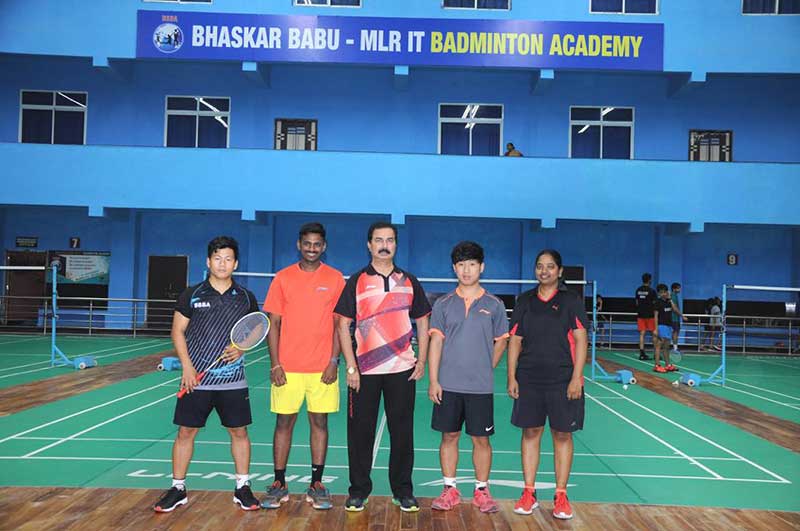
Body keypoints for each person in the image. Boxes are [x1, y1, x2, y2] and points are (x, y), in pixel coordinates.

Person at [153, 236, 261, 513]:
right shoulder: (192, 294)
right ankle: (178, 488)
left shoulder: (246, 297)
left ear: (235, 263)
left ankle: (242, 487)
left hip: (233, 380)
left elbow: (255, 329)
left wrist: (241, 349)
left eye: (228, 259)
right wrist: (187, 367)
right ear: (208, 261)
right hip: (197, 379)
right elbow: (177, 331)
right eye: (217, 258)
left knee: (239, 431)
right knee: (186, 431)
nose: (222, 263)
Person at [334, 221, 431, 513]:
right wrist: (351, 367)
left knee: (403, 433)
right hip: (365, 371)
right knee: (359, 433)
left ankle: (403, 490)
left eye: (389, 239)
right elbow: (342, 324)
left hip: (402, 369)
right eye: (378, 240)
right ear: (369, 244)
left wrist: (422, 360)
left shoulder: (409, 280)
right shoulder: (357, 280)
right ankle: (358, 491)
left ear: (396, 244)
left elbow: (423, 321)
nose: (384, 245)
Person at [260, 223, 345, 511]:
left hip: (322, 368)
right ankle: (279, 483)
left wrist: (334, 360)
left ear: (324, 246)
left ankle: (317, 483)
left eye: (317, 244)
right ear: (299, 245)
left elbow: (339, 325)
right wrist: (275, 364)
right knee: (284, 423)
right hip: (288, 367)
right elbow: (274, 324)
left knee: (319, 423)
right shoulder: (282, 278)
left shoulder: (335, 279)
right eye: (307, 243)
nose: (311, 248)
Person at [427, 241, 509, 514]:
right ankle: (449, 489)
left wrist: (488, 367)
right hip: (448, 385)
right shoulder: (443, 304)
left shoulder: (495, 305)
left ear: (481, 267)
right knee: (448, 436)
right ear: (454, 268)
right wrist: (434, 380)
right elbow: (436, 343)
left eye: (472, 264)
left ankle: (481, 491)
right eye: (461, 265)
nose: (466, 270)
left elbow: (502, 341)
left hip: (479, 387)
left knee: (481, 440)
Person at [507, 249, 588, 521]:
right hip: (529, 377)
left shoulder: (571, 301)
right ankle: (528, 492)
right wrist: (511, 376)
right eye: (540, 266)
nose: (544, 271)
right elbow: (515, 340)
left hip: (563, 379)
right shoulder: (525, 300)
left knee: (562, 435)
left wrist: (577, 377)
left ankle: (561, 495)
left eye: (550, 266)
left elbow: (580, 339)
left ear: (560, 271)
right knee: (531, 433)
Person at [653, 284, 678, 373]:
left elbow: (675, 309)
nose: (663, 294)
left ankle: (667, 365)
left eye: (664, 292)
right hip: (661, 326)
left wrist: (670, 299)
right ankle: (657, 365)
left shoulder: (668, 301)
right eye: (661, 292)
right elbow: (655, 316)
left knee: (666, 347)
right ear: (659, 293)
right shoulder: (657, 302)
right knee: (659, 345)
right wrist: (655, 329)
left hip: (668, 326)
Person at [634, 273, 657, 360]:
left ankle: (642, 353)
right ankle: (656, 353)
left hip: (640, 314)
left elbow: (636, 302)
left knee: (642, 334)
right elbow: (655, 304)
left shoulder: (638, 290)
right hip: (650, 315)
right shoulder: (652, 291)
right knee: (654, 334)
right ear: (650, 280)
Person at [670, 283, 687, 355]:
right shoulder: (673, 295)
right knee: (675, 332)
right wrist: (682, 316)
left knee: (676, 332)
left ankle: (675, 348)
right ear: (674, 289)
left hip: (676, 318)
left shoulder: (675, 295)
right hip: (674, 318)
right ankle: (675, 348)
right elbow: (674, 308)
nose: (679, 289)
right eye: (678, 288)